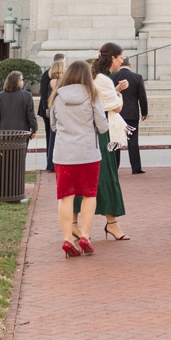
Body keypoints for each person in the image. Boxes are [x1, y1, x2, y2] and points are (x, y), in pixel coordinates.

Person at [51, 60, 108, 257]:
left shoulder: (58, 97)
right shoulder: (92, 95)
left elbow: (53, 125)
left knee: (65, 196)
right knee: (89, 194)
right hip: (87, 152)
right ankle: (85, 235)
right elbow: (102, 126)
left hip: (63, 153)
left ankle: (68, 238)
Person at [90, 44, 131, 241]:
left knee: (87, 179)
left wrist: (114, 91)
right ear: (112, 58)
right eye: (120, 57)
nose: (122, 61)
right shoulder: (103, 79)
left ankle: (73, 224)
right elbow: (115, 107)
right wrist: (119, 95)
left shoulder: (95, 77)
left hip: (90, 134)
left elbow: (102, 100)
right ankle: (112, 223)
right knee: (106, 176)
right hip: (101, 134)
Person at [115, 53, 148, 174]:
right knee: (133, 141)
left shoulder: (113, 76)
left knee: (116, 141)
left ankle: (115, 167)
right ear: (130, 64)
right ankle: (136, 167)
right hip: (132, 113)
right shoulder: (137, 77)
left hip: (117, 113)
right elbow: (142, 97)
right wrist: (144, 112)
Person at [40, 55, 65, 172]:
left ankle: (51, 163)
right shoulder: (60, 81)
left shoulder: (52, 81)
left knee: (52, 137)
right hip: (57, 110)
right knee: (54, 137)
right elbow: (44, 93)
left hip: (53, 109)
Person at [0, 70, 39, 135]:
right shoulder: (27, 95)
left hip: (4, 132)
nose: (23, 81)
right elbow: (30, 114)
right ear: (17, 81)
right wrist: (34, 128)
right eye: (21, 79)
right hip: (22, 133)